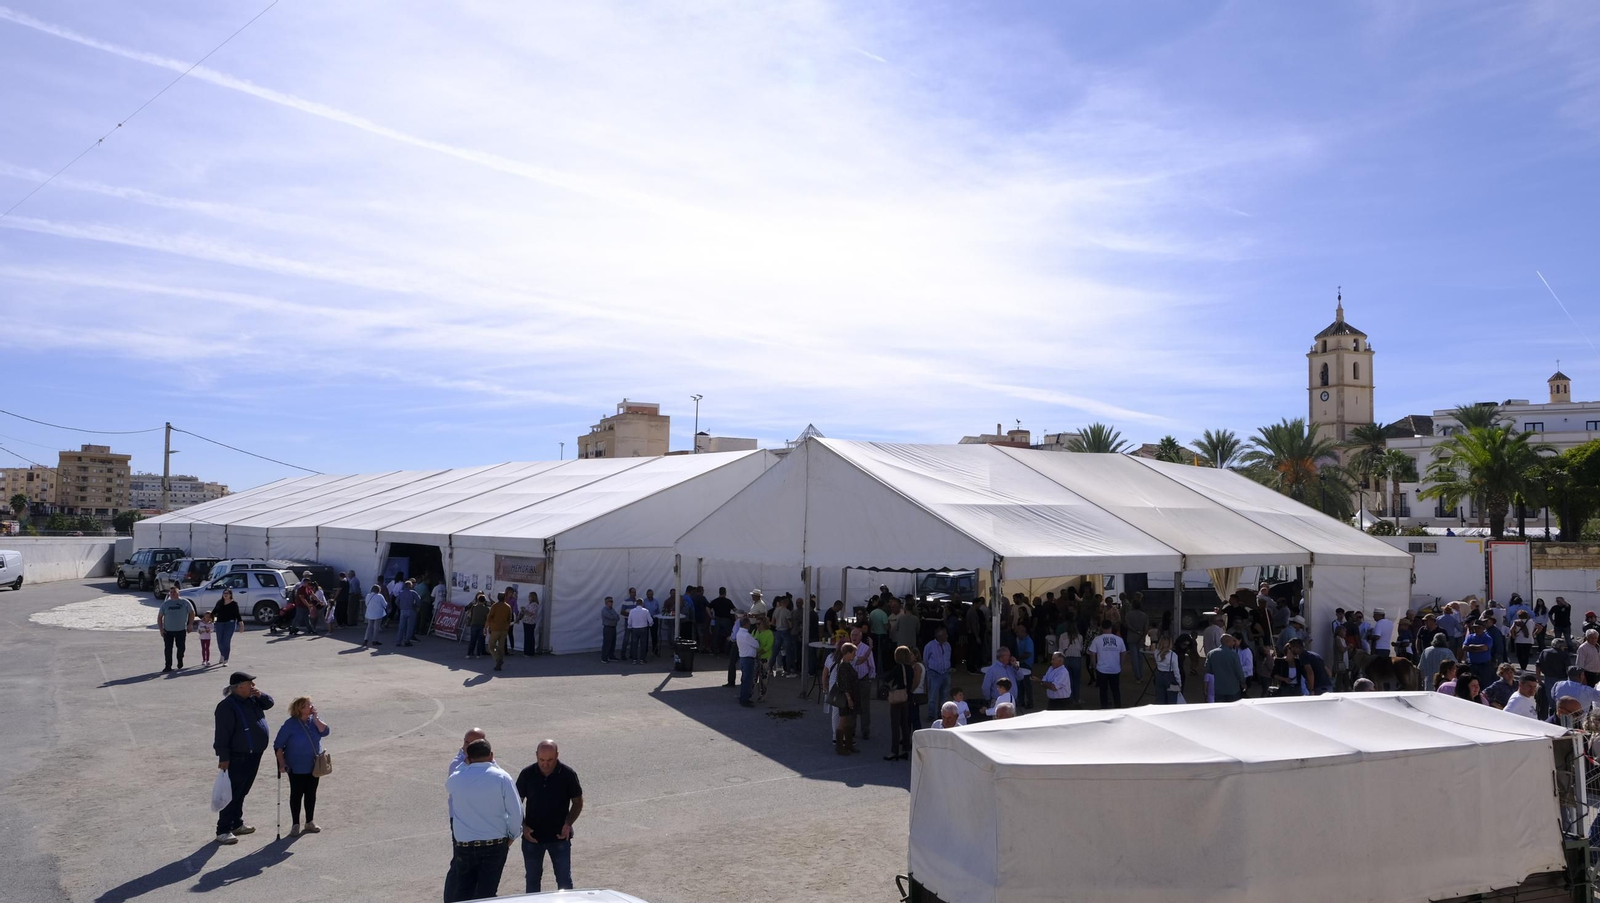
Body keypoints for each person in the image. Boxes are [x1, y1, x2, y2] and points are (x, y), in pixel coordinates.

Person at [443, 739, 521, 903]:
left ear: (468, 758)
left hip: (464, 847)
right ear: (491, 755)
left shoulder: (457, 779)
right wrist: (512, 836)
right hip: (495, 845)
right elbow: (516, 812)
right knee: (487, 895)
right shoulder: (502, 777)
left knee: (463, 893)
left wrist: (464, 764)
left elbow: (450, 783)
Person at [213, 671, 275, 844]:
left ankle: (236, 823)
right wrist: (223, 757)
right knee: (232, 793)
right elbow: (222, 735)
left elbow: (269, 703)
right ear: (239, 687)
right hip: (238, 756)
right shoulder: (227, 706)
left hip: (254, 753)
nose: (253, 686)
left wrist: (260, 694)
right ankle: (223, 829)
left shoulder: (253, 699)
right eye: (250, 684)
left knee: (243, 791)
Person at [516, 740, 583, 894]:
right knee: (532, 881)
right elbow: (516, 803)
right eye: (541, 760)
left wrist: (568, 824)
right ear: (536, 756)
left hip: (559, 837)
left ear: (557, 755)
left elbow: (577, 802)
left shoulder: (567, 774)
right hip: (532, 838)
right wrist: (523, 826)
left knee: (564, 880)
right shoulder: (527, 774)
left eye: (550, 760)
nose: (545, 764)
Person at [273, 696, 330, 836]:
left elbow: (326, 731)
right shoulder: (290, 724)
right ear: (300, 709)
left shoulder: (314, 722)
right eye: (308, 705)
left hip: (314, 766)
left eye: (311, 704)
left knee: (311, 794)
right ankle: (295, 824)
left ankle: (309, 821)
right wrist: (282, 763)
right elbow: (278, 745)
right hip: (296, 766)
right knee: (296, 795)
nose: (311, 706)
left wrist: (316, 718)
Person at [885, 646, 917, 761]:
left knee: (895, 725)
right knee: (905, 725)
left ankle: (894, 751)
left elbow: (887, 678)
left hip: (897, 698)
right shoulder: (910, 668)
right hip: (907, 697)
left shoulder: (898, 668)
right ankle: (905, 749)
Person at [1088, 621, 1127, 708]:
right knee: (1115, 690)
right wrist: (1120, 664)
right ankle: (1118, 707)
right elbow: (1124, 653)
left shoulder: (1097, 639)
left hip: (1102, 669)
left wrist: (1094, 665)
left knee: (1103, 691)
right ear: (1111, 627)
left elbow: (1092, 653)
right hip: (1115, 668)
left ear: (1102, 628)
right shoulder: (1119, 639)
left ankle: (1104, 708)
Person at [831, 643, 861, 754]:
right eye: (853, 653)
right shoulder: (843, 666)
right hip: (845, 698)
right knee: (843, 720)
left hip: (851, 696)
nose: (854, 655)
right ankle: (840, 746)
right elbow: (844, 685)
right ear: (847, 653)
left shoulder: (847, 664)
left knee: (849, 721)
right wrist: (849, 699)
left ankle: (848, 744)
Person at [157, 587, 193, 672]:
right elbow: (160, 617)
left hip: (180, 630)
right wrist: (161, 629)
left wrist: (190, 624)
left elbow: (192, 613)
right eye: (171, 592)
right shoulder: (166, 604)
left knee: (181, 648)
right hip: (168, 630)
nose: (173, 593)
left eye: (174, 592)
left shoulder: (185, 602)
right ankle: (168, 665)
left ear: (178, 593)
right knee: (168, 648)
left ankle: (180, 659)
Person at [1206, 633, 1247, 703]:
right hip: (1232, 689)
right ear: (1227, 642)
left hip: (1218, 689)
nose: (1233, 643)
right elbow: (1239, 671)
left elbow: (1208, 670)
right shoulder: (1233, 654)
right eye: (1232, 641)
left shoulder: (1211, 654)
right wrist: (1243, 682)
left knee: (1220, 709)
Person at [922, 628, 952, 721]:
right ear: (939, 636)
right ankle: (931, 715)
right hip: (934, 673)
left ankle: (941, 714)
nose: (946, 636)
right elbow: (925, 659)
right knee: (933, 696)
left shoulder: (947, 645)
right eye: (944, 634)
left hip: (946, 672)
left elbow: (949, 657)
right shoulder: (930, 646)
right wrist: (929, 671)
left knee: (944, 695)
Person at [211, 587, 243, 665]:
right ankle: (222, 654)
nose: (225, 595)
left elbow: (237, 614)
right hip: (219, 624)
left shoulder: (234, 604)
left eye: (227, 593)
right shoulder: (219, 602)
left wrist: (241, 623)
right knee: (220, 641)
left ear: (230, 595)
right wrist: (208, 618)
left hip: (230, 623)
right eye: (224, 593)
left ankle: (226, 659)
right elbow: (214, 612)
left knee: (226, 641)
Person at [736, 616, 761, 707]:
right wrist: (756, 640)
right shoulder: (746, 635)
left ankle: (743, 696)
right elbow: (756, 645)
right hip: (748, 659)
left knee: (744, 679)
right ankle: (744, 699)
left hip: (743, 657)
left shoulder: (739, 633)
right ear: (747, 624)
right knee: (748, 680)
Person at [487, 591, 514, 671]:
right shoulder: (508, 606)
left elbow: (490, 617)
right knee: (501, 647)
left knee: (491, 646)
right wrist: (507, 626)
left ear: (498, 598)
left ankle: (498, 659)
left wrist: (489, 626)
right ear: (505, 598)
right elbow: (510, 618)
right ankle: (499, 664)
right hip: (504, 629)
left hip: (495, 628)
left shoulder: (495, 606)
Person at [1153, 635, 1181, 704]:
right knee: (1171, 699)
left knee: (1160, 698)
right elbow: (1176, 670)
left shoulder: (1156, 652)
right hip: (1169, 676)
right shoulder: (1173, 655)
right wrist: (1179, 682)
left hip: (1159, 675)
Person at [626, 596, 654, 665]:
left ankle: (634, 659)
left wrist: (630, 627)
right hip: (643, 629)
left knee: (634, 644)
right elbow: (650, 620)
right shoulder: (646, 611)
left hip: (634, 629)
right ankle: (642, 659)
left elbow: (629, 621)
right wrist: (650, 625)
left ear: (636, 603)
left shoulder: (632, 611)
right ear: (642, 604)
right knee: (643, 644)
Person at [394, 579, 420, 648]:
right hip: (411, 610)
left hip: (403, 610)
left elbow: (396, 601)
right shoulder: (413, 592)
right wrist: (416, 607)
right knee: (410, 627)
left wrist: (400, 607)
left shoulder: (401, 593)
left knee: (401, 627)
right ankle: (407, 641)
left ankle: (398, 641)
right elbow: (418, 600)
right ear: (410, 586)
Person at [465, 592, 491, 659]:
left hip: (474, 624)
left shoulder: (474, 607)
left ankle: (469, 653)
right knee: (480, 640)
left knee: (472, 640)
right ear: (484, 601)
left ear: (478, 600)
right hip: (482, 625)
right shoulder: (487, 609)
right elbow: (487, 618)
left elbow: (470, 615)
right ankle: (478, 655)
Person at [519, 591, 540, 656]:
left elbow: (531, 614)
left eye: (530, 596)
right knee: (527, 637)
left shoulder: (535, 605)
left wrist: (524, 610)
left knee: (529, 637)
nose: (529, 598)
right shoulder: (530, 604)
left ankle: (529, 652)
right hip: (526, 622)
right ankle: (527, 651)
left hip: (530, 623)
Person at [598, 597, 619, 664]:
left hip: (613, 627)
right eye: (610, 601)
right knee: (607, 643)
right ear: (606, 602)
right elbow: (611, 617)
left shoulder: (612, 609)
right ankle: (604, 658)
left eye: (612, 601)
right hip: (608, 628)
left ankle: (611, 656)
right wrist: (615, 617)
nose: (611, 603)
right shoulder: (604, 610)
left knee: (613, 642)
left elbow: (618, 616)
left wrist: (615, 617)